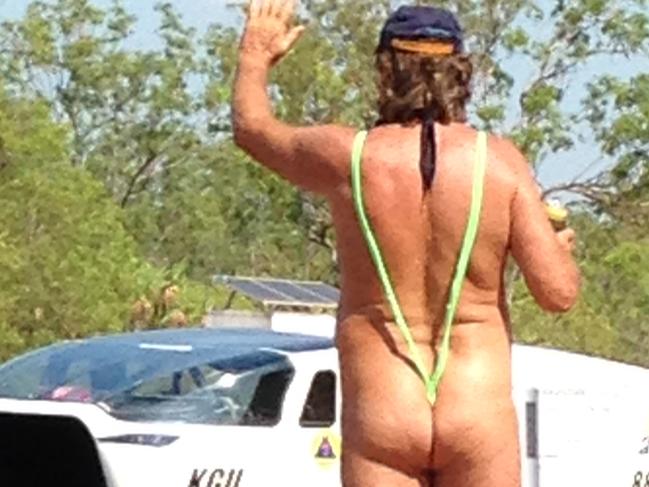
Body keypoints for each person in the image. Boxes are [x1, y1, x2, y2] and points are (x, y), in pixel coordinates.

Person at [232, 1, 581, 486]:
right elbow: (558, 294)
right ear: (462, 72)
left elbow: (253, 130)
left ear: (384, 72)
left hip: (383, 406)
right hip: (476, 411)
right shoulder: (500, 164)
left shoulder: (347, 159)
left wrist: (255, 54)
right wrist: (557, 248)